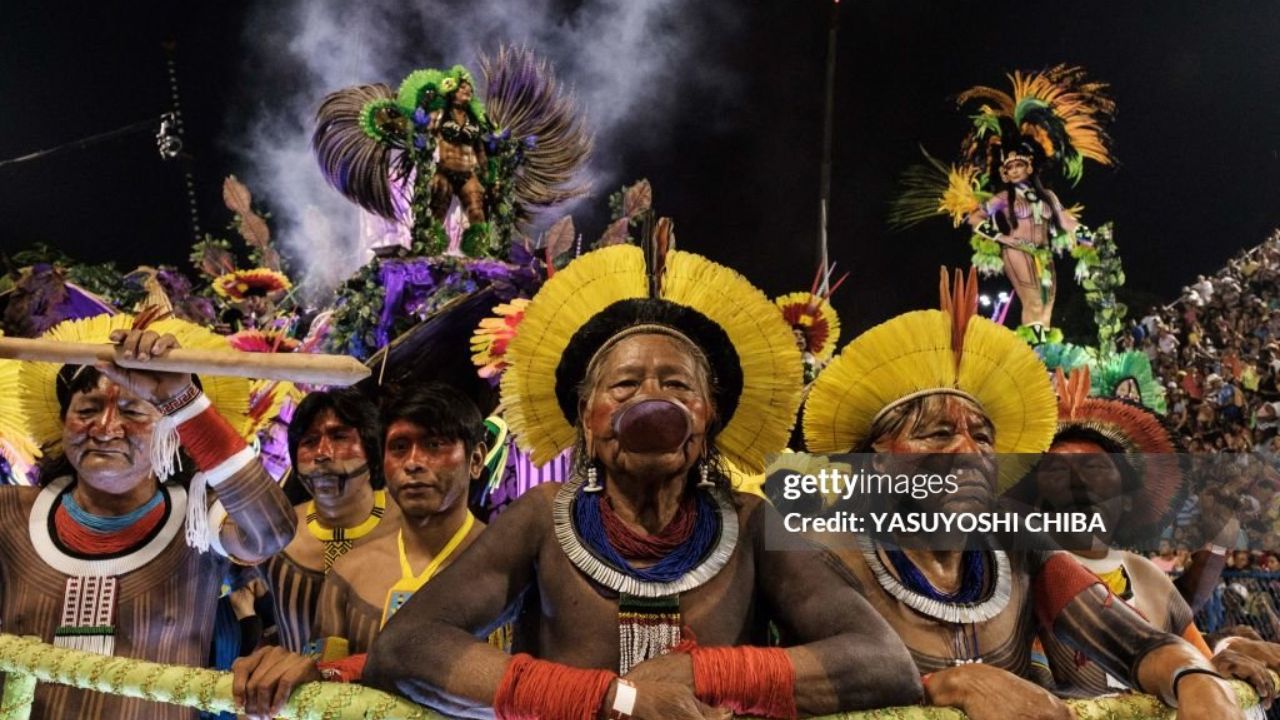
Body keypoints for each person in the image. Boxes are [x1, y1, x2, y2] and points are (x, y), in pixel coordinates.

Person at [232, 244, 923, 718]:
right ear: (589, 421)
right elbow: (410, 649)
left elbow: (879, 662)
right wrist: (614, 700)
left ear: (706, 419)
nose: (650, 399)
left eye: (675, 384)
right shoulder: (540, 518)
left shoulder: (752, 523)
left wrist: (703, 676)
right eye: (625, 385)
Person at [802, 268, 1242, 720]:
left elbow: (1133, 640)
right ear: (878, 461)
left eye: (983, 438)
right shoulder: (825, 553)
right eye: (936, 434)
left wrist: (1198, 678)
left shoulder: (1020, 549)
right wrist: (951, 684)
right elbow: (817, 683)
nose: (969, 453)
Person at [0, 313, 296, 719]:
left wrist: (182, 399)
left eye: (134, 412)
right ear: (61, 420)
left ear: (172, 431)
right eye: (86, 409)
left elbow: (273, 532)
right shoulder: (12, 514)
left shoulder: (198, 523)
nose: (105, 428)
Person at [1021, 368, 1280, 703]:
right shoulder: (1016, 575)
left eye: (1094, 468)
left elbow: (1194, 657)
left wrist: (1223, 655)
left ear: (1128, 498)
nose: (1077, 483)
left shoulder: (1144, 574)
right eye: (1056, 470)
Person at [314, 383, 489, 655]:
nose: (413, 462)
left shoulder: (510, 564)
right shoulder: (348, 574)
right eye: (399, 447)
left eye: (433, 444)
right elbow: (322, 687)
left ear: (475, 460)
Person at [260, 388, 400, 654]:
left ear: (371, 447)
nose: (322, 453)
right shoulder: (280, 532)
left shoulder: (414, 525)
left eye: (339, 437)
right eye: (309, 441)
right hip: (293, 694)